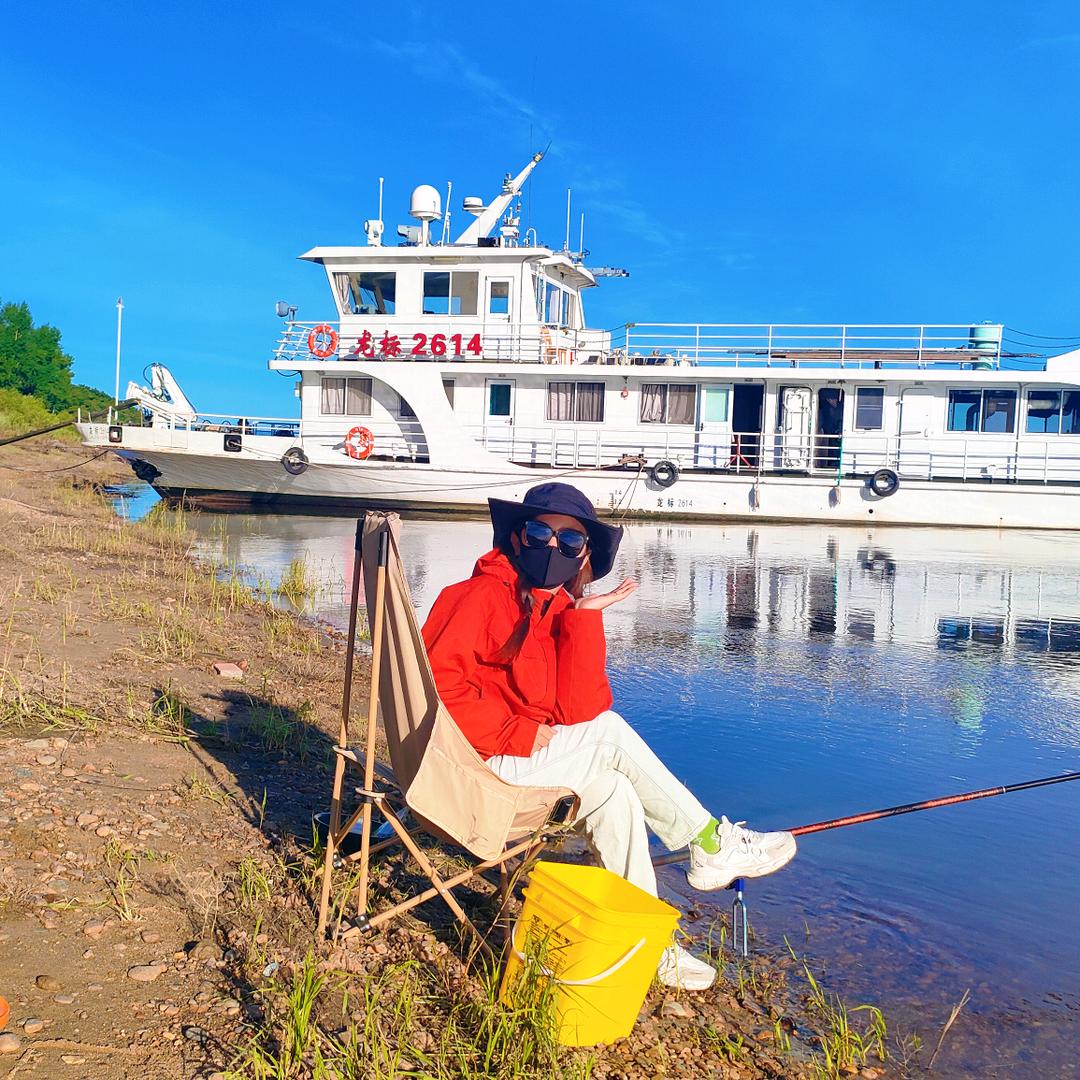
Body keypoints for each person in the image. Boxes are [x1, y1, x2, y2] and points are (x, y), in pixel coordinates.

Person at [422, 482, 796, 990]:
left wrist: (581, 621)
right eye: (539, 531)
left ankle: (645, 942)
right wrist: (516, 731)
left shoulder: (551, 609)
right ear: (516, 539)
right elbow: (436, 693)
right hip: (471, 769)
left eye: (570, 542)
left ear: (583, 557)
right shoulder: (475, 597)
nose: (552, 547)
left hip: (507, 761)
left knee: (617, 794)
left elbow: (577, 710)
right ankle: (710, 843)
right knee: (610, 735)